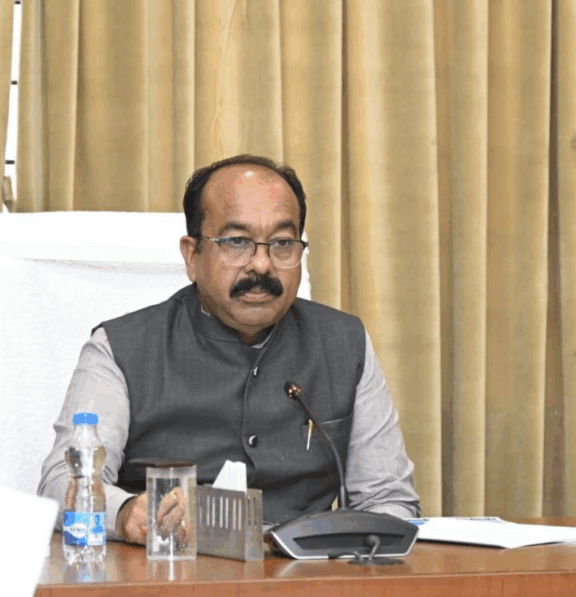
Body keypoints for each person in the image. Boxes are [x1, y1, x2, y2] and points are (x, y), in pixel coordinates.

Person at [38, 154, 420, 543]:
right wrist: (124, 514)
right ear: (192, 255)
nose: (262, 265)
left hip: (304, 568)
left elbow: (388, 500)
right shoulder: (121, 348)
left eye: (282, 243)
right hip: (169, 564)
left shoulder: (343, 342)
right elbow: (64, 482)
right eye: (237, 242)